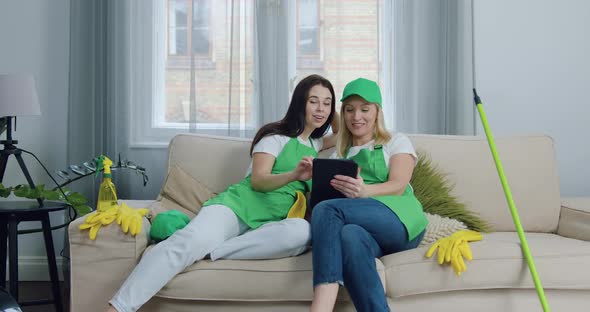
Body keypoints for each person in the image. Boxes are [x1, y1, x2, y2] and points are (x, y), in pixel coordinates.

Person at [107, 74, 338, 312]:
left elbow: (342, 132)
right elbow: (258, 181)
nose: (321, 109)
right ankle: (118, 307)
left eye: (327, 103)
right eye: (313, 101)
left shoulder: (315, 144)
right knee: (186, 243)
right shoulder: (275, 137)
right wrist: (293, 175)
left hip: (266, 226)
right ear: (300, 102)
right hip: (235, 208)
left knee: (302, 231)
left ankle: (212, 250)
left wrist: (335, 106)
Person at [309, 78, 428, 312]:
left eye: (365, 109)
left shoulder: (395, 141)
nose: (357, 117)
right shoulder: (339, 154)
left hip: (399, 219)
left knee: (328, 209)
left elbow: (398, 184)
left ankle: (321, 306)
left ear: (377, 112)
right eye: (350, 110)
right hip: (365, 230)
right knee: (349, 236)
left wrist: (366, 191)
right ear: (343, 114)